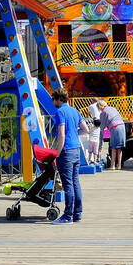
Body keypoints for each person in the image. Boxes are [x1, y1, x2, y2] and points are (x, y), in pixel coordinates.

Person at [50, 89, 83, 224]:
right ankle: (78, 214)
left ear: (58, 99)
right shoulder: (75, 111)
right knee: (75, 182)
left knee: (67, 184)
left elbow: (61, 135)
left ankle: (67, 216)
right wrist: (74, 135)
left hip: (66, 151)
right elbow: (86, 129)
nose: (53, 102)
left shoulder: (60, 112)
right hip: (76, 150)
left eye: (54, 100)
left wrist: (57, 153)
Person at [98, 100, 126, 170]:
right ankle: (119, 165)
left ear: (100, 107)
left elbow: (102, 127)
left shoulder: (103, 112)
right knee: (119, 148)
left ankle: (112, 165)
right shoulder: (113, 108)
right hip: (122, 126)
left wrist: (99, 145)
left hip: (115, 127)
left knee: (113, 147)